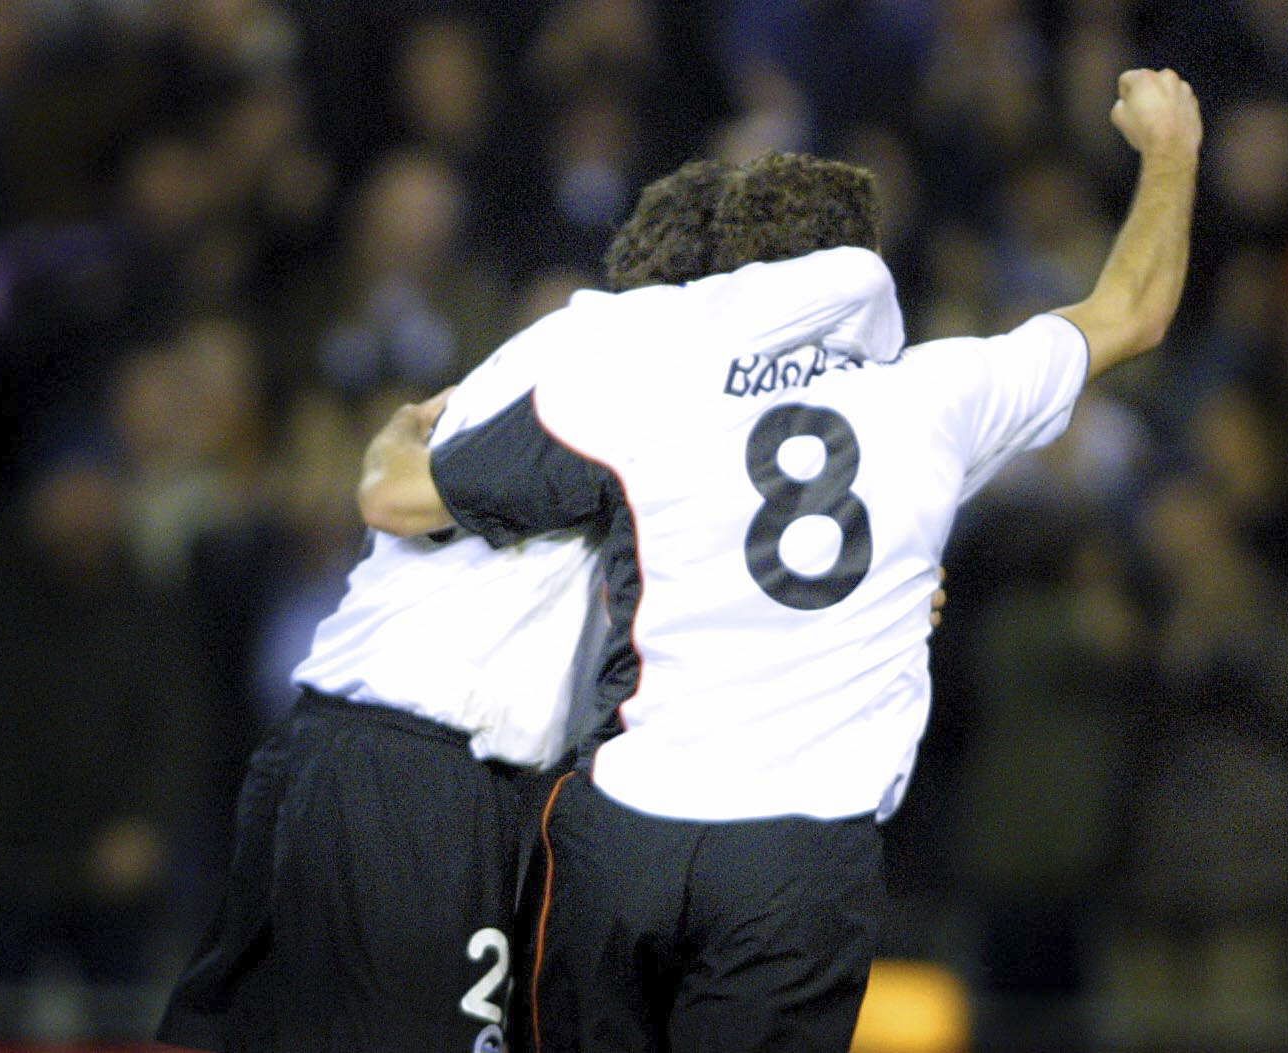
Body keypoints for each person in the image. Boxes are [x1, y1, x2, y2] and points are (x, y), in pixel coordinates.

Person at [367, 69, 1201, 1052]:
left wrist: (391, 441)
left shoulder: (644, 391)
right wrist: (1170, 150)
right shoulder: (935, 398)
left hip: (626, 823)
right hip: (799, 858)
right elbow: (1135, 310)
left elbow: (403, 499)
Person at [154, 160, 906, 1053]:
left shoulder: (569, 345)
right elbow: (403, 498)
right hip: (426, 788)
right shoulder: (659, 361)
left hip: (326, 754)